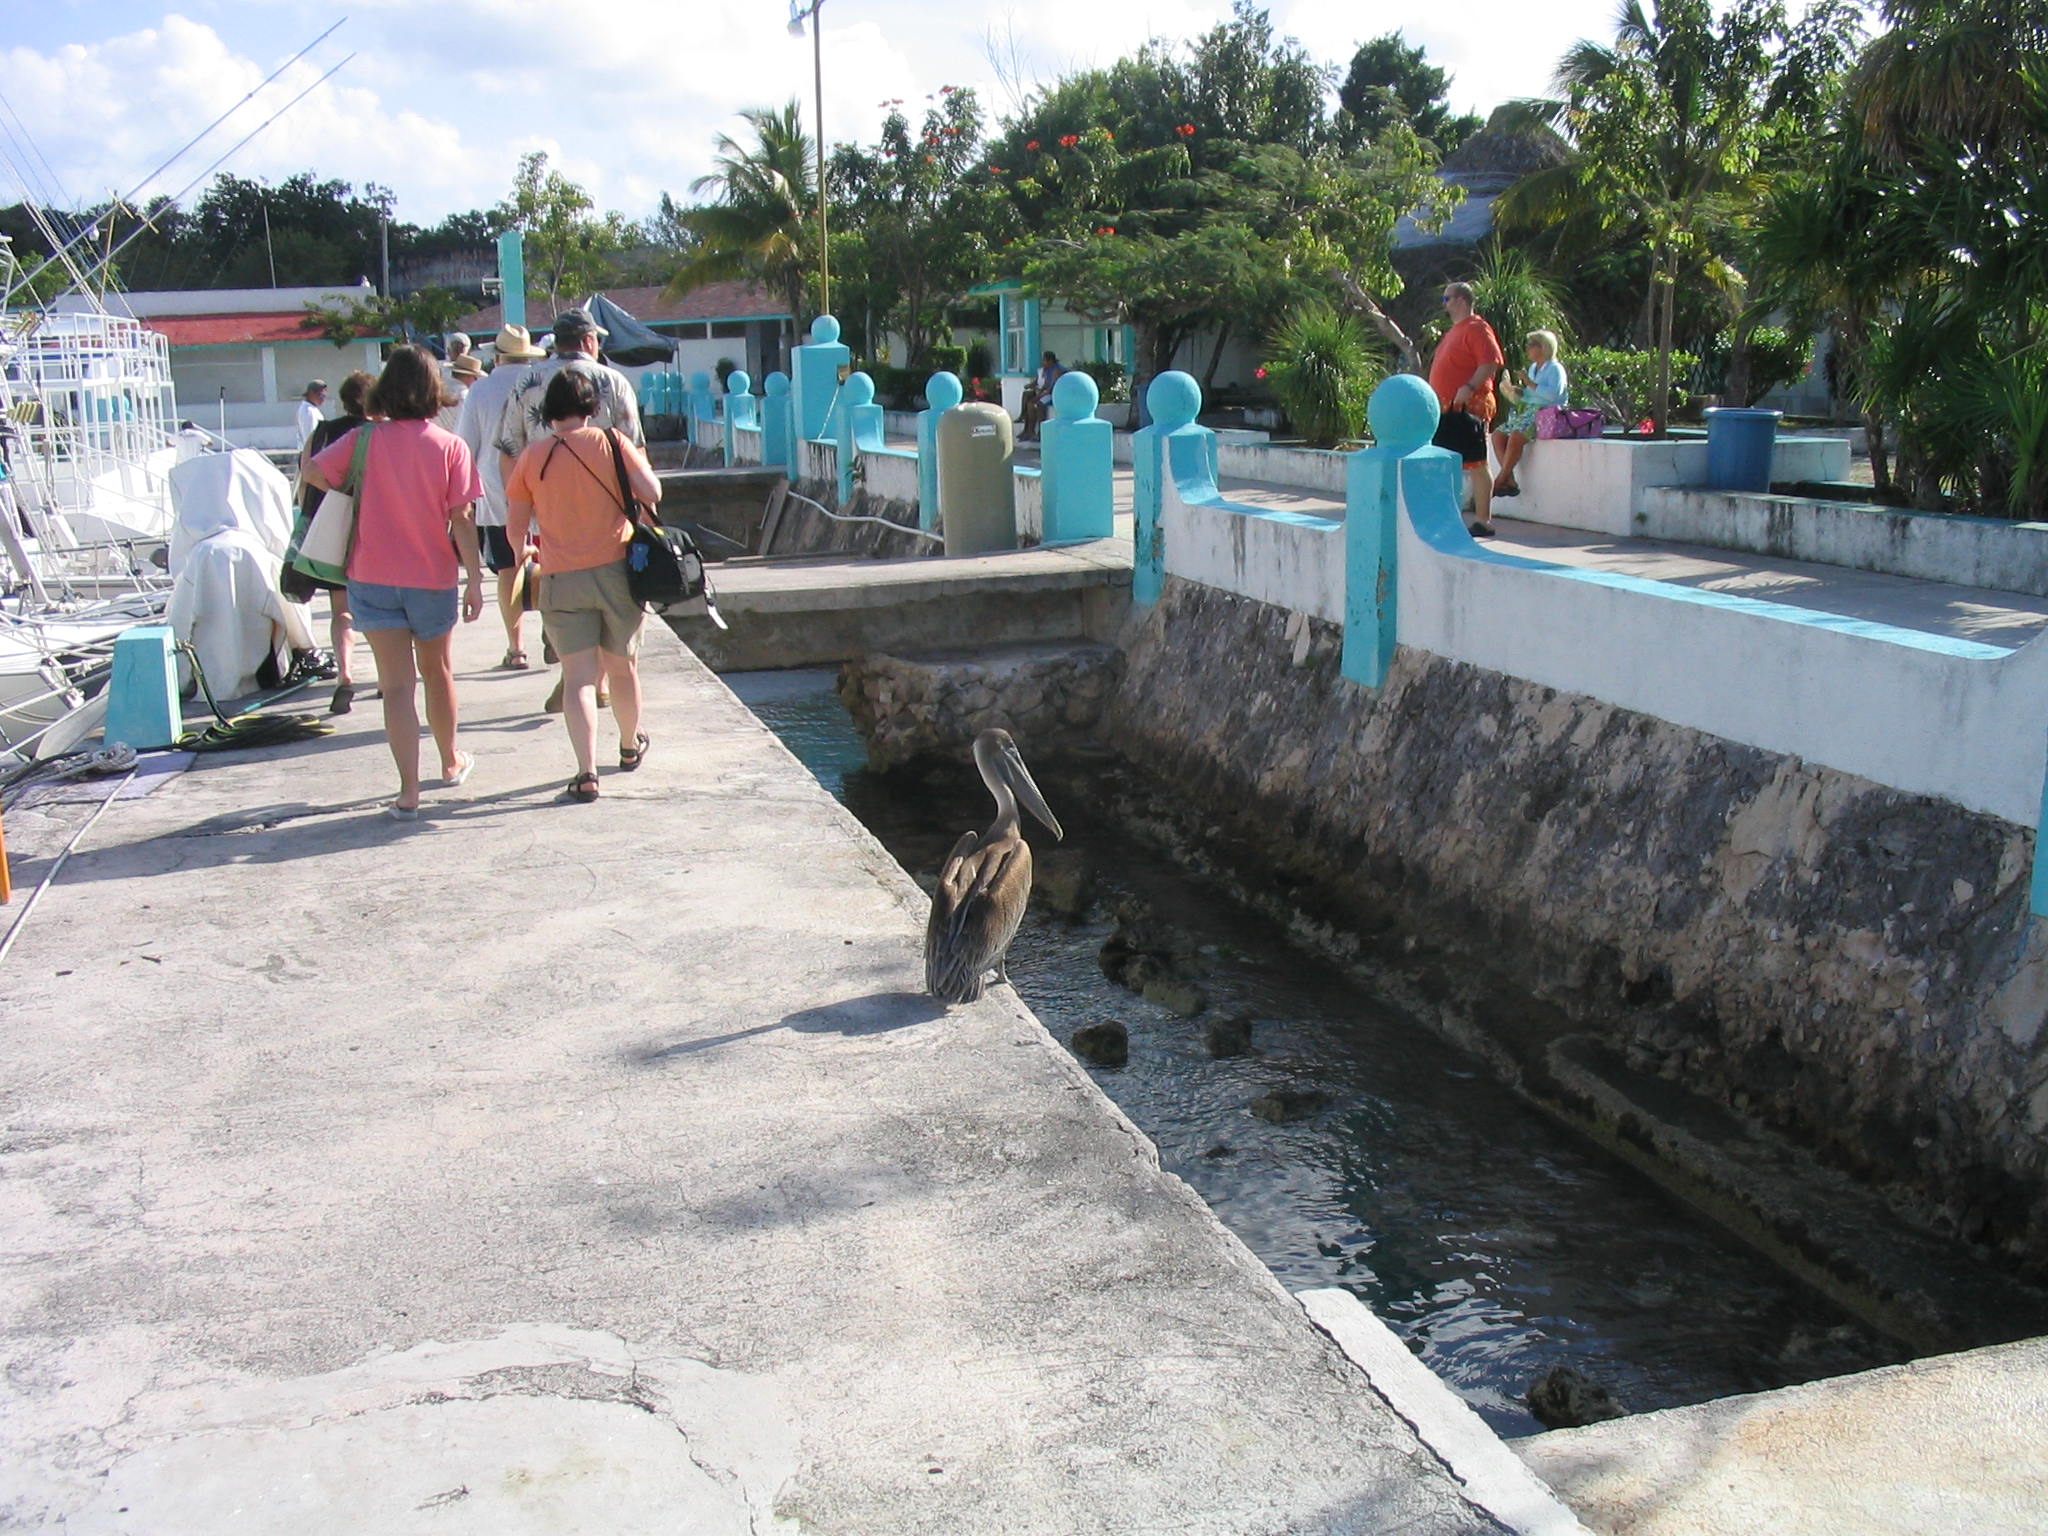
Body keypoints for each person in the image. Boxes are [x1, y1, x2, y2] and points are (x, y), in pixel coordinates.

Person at [304, 344, 486, 820]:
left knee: (397, 686)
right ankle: (450, 761)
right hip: (431, 575)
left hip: (371, 573)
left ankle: (408, 791)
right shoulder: (450, 446)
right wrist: (474, 579)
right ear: (433, 391)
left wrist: (356, 490)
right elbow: (463, 519)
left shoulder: (363, 439)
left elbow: (312, 471)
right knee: (438, 672)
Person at [504, 367, 659, 804]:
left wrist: (523, 554)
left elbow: (515, 527)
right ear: (592, 406)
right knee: (622, 667)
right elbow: (652, 492)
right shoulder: (612, 442)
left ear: (548, 411)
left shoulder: (533, 457)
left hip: (560, 577)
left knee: (578, 679)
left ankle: (586, 772)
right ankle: (629, 745)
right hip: (616, 572)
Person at [495, 307, 643, 712]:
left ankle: (576, 675)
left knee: (565, 604)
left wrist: (521, 509)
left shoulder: (526, 382)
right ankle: (597, 682)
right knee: (612, 615)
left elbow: (508, 451)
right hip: (608, 523)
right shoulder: (612, 381)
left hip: (548, 515)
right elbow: (636, 450)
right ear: (590, 341)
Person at [455, 323, 547, 669]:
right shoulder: (543, 382)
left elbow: (466, 446)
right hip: (544, 487)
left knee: (508, 569)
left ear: (497, 356)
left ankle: (516, 647)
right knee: (552, 566)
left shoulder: (480, 390)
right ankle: (555, 633)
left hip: (497, 493)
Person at [294, 369, 376, 713]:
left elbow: (306, 477)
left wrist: (328, 501)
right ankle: (386, 677)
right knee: (376, 607)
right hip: (368, 526)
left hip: (330, 525)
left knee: (340, 609)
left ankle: (345, 673)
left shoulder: (323, 431)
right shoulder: (375, 434)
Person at [1428, 282, 1507, 538]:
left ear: (1461, 300)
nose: (1444, 304)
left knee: (1477, 462)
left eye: (1447, 298)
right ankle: (1447, 517)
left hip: (1468, 407)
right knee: (1448, 461)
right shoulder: (1456, 330)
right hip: (1447, 408)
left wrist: (1470, 386)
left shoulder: (1477, 328)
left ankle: (1483, 521)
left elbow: (1490, 362)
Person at [1492, 330, 1569, 500]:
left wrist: (1530, 383)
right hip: (1529, 411)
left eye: (1532, 345)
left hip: (1546, 413)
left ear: (1543, 347)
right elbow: (1530, 395)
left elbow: (1553, 395)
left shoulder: (1555, 369)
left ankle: (1501, 480)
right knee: (1498, 435)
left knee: (1516, 436)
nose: (1527, 349)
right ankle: (1509, 479)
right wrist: (1515, 391)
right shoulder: (1534, 368)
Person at [1020, 351, 1066, 438]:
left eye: (1044, 360)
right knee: (1030, 403)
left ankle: (1041, 433)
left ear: (1050, 361)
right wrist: (1040, 391)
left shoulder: (1057, 370)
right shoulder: (1048, 369)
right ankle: (1030, 431)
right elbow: (1046, 385)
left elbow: (1051, 388)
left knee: (1040, 404)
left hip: (1056, 394)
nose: (1043, 363)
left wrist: (1039, 396)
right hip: (1049, 392)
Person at [295, 381, 328, 446]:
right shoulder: (307, 411)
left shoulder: (312, 409)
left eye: (324, 397)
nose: (323, 400)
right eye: (321, 396)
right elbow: (309, 439)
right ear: (311, 393)